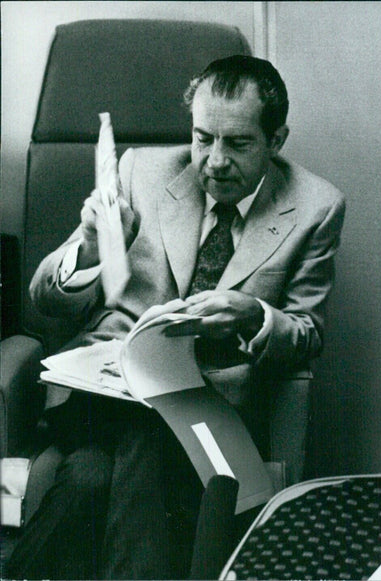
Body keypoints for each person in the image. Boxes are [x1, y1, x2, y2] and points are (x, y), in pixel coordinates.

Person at [7, 55, 345, 580]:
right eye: (203, 138)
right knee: (144, 431)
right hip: (103, 394)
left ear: (276, 140)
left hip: (211, 409)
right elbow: (44, 302)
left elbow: (307, 334)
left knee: (90, 477)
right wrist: (92, 250)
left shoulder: (315, 206)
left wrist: (252, 315)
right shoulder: (140, 170)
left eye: (238, 144)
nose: (213, 161)